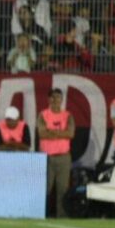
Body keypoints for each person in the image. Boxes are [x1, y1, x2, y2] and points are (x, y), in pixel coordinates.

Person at [37, 88, 75, 218]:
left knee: (62, 190)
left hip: (63, 157)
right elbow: (42, 133)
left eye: (58, 97)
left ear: (62, 100)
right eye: (53, 97)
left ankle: (62, 217)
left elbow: (70, 134)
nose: (55, 100)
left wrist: (51, 131)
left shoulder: (68, 116)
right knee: (44, 189)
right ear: (48, 99)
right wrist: (61, 133)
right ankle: (40, 214)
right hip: (46, 157)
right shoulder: (43, 115)